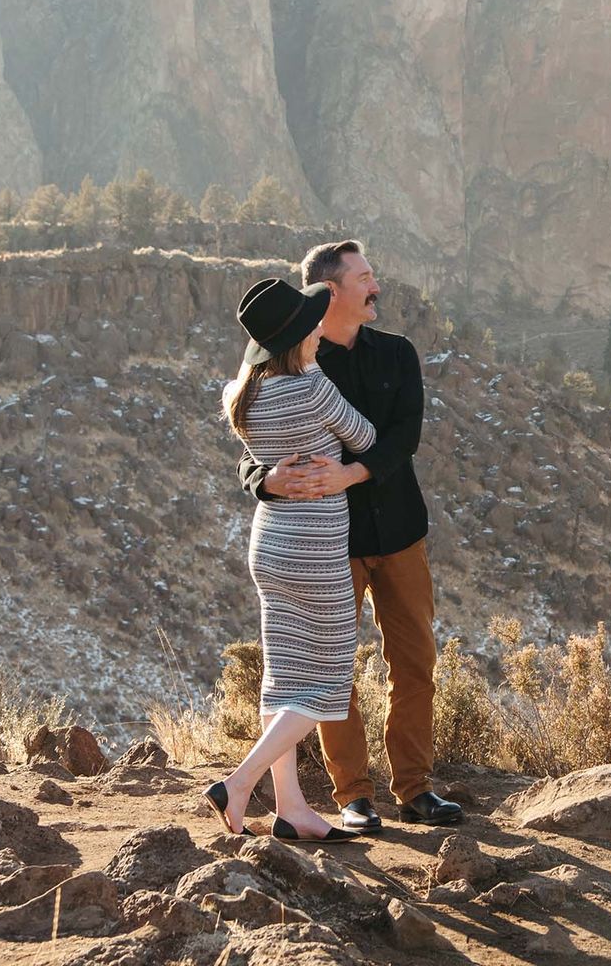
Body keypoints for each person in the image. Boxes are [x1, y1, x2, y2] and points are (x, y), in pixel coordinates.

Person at [239, 241, 463, 829]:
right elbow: (250, 459)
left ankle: (415, 790)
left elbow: (402, 436)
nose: (377, 287)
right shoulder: (296, 362)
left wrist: (350, 473)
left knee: (414, 662)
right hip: (329, 543)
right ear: (331, 291)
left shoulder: (396, 353)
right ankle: (353, 797)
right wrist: (268, 481)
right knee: (334, 671)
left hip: (400, 534)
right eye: (367, 277)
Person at [205, 277, 375, 843]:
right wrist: (319, 376)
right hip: (316, 548)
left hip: (270, 544)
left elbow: (257, 463)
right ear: (299, 338)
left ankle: (292, 809)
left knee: (281, 681)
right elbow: (364, 435)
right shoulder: (311, 387)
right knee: (325, 681)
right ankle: (239, 782)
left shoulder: (244, 394)